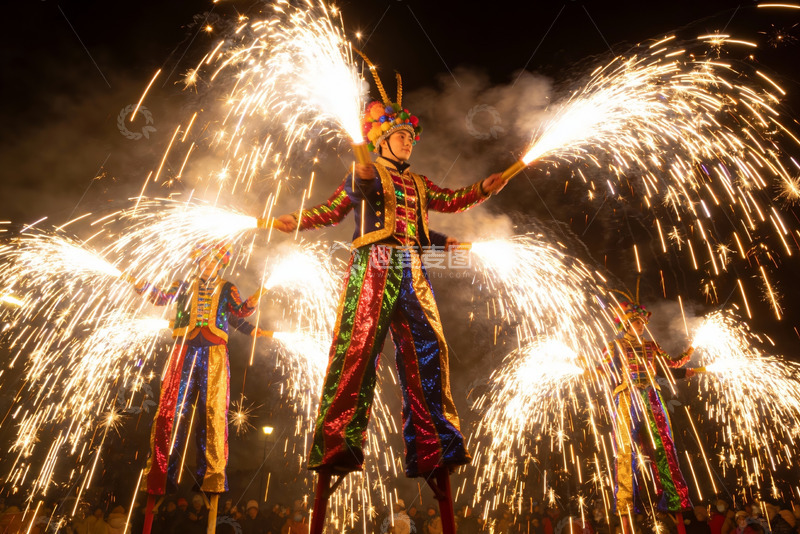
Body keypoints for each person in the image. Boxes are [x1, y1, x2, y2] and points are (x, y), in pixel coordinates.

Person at [269, 65, 509, 534]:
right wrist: (294, 220)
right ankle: (338, 444)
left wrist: (482, 189)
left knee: (429, 352)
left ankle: (435, 445)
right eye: (400, 135)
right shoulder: (365, 172)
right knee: (357, 353)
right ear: (380, 139)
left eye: (410, 137)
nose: (408, 142)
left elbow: (447, 205)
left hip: (412, 269)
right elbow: (334, 209)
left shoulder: (418, 185)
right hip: (373, 266)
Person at [128, 242, 272, 498]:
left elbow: (236, 314)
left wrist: (253, 303)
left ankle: (209, 476)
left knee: (212, 412)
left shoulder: (227, 287)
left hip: (214, 353)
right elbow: (161, 298)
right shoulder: (183, 285)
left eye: (212, 262)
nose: (207, 266)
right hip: (184, 350)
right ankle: (163, 475)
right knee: (172, 410)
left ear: (220, 264)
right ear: (197, 263)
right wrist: (139, 284)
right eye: (203, 262)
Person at [600, 298, 704, 531]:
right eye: (636, 322)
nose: (640, 326)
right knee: (625, 449)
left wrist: (689, 354)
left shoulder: (651, 345)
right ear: (627, 325)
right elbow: (602, 368)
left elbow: (671, 365)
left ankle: (673, 497)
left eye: (641, 322)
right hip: (627, 396)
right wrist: (586, 367)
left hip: (650, 396)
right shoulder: (614, 346)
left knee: (665, 445)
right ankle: (626, 501)